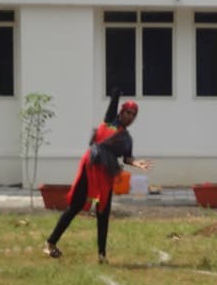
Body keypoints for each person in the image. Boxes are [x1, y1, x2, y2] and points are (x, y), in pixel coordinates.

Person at [44, 88, 152, 263]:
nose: (130, 116)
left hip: (106, 172)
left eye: (134, 114)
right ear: (121, 112)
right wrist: (117, 85)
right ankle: (50, 243)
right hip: (91, 166)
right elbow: (114, 98)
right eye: (128, 112)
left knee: (103, 211)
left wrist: (135, 162)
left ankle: (102, 255)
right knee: (76, 206)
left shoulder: (127, 139)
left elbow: (127, 158)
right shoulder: (110, 122)